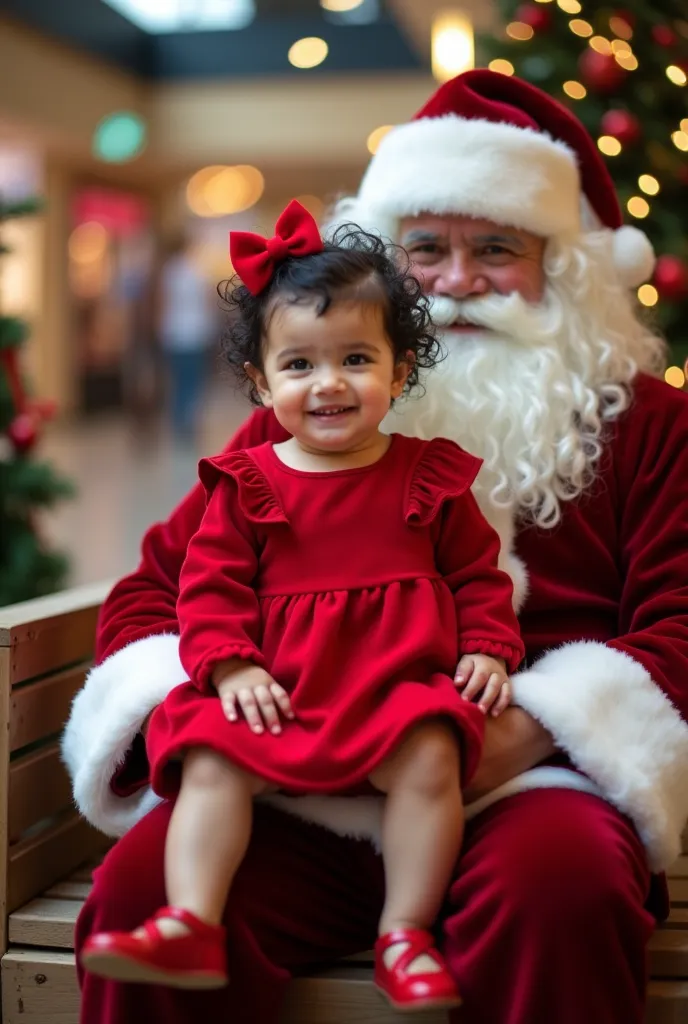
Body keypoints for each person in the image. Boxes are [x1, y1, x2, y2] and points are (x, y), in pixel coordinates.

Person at [63, 71, 688, 1024]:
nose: (458, 281)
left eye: (497, 249)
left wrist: (522, 733)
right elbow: (153, 598)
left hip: (531, 779)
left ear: (560, 267)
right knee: (142, 897)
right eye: (426, 249)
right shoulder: (293, 434)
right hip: (294, 776)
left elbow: (681, 629)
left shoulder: (652, 427)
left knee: (564, 892)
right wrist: (229, 717)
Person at [80, 201, 524, 1010]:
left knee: (431, 757)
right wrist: (230, 664)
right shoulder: (246, 484)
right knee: (211, 756)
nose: (328, 384)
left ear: (399, 370)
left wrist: (487, 647)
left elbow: (478, 578)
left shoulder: (428, 475)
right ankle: (190, 920)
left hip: (392, 692)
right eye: (299, 366)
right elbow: (205, 588)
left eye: (356, 358)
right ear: (259, 382)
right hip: (278, 698)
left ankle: (406, 933)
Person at [158, 236, 217, 442]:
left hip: (173, 333)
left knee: (178, 381)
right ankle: (189, 421)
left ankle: (178, 421)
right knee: (193, 381)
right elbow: (208, 303)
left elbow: (163, 303)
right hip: (196, 334)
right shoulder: (197, 272)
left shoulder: (169, 272)